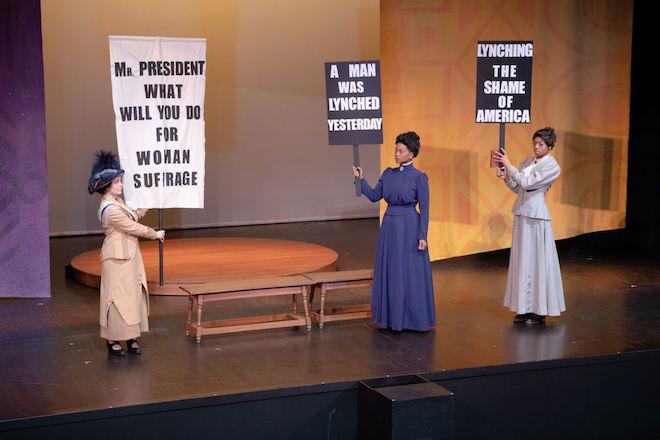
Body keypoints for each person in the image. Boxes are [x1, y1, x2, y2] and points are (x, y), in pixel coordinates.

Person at [352, 132, 436, 331]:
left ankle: (411, 320)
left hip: (409, 226)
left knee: (409, 274)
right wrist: (361, 180)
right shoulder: (388, 173)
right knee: (391, 271)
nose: (397, 154)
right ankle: (390, 319)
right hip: (390, 227)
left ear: (412, 154)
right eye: (396, 150)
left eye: (401, 151)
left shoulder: (419, 177)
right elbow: (374, 196)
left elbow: (424, 208)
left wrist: (422, 235)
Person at [88, 151, 165, 356]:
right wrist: (154, 234)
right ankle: (113, 339)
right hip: (117, 258)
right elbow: (133, 227)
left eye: (120, 181)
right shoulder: (109, 207)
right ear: (107, 186)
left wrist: (150, 202)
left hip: (129, 254)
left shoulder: (119, 202)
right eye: (117, 183)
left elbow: (135, 215)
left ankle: (131, 336)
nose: (121, 185)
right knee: (117, 298)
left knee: (131, 296)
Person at [492, 127, 565, 325]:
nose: (536, 147)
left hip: (537, 217)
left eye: (541, 144)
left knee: (537, 262)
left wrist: (509, 164)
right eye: (535, 143)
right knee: (523, 261)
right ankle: (525, 308)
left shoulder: (552, 167)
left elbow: (527, 182)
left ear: (550, 146)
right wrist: (506, 176)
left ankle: (539, 310)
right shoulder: (527, 161)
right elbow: (518, 188)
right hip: (522, 213)